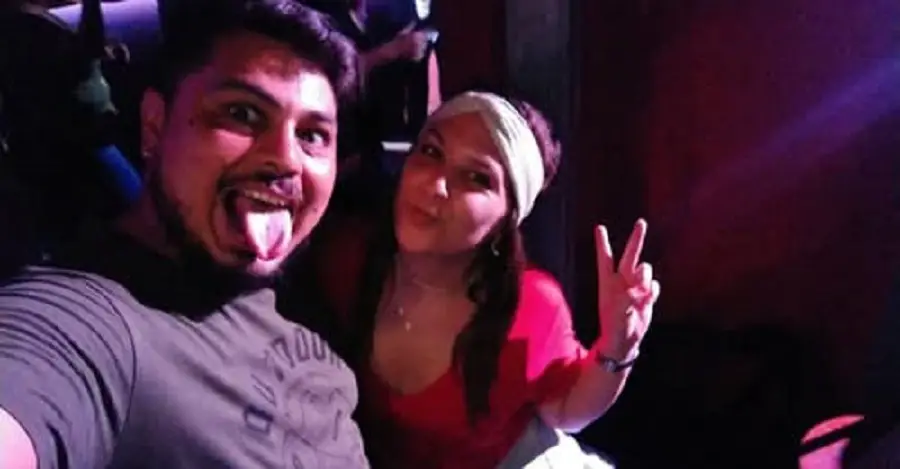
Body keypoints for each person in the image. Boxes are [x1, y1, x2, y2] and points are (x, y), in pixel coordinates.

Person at [0, 1, 370, 468]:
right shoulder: (84, 323)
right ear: (155, 126)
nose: (287, 159)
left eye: (312, 135)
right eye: (242, 113)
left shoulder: (299, 298)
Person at [314, 91, 660, 468]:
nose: (436, 185)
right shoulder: (348, 258)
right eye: (431, 152)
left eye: (477, 178)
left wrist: (618, 346)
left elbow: (566, 411)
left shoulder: (530, 304)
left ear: (506, 218)